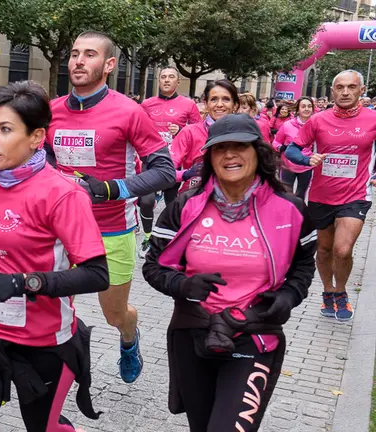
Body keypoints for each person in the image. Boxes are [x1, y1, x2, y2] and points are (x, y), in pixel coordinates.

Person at [0, 80, 106, 432]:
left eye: (5, 130)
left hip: (41, 340)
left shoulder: (63, 195)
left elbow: (96, 274)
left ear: (37, 136)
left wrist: (22, 283)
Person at [142, 113, 316, 432]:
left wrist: (290, 296)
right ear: (209, 157)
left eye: (240, 146)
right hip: (193, 332)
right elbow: (153, 267)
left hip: (254, 333)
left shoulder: (290, 210)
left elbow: (304, 265)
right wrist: (183, 285)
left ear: (258, 153)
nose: (230, 154)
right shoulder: (185, 207)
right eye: (220, 148)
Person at [44, 31, 175, 384]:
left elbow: (164, 171)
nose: (79, 61)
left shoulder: (128, 112)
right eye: (74, 54)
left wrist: (109, 189)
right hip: (60, 227)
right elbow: (47, 158)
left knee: (114, 313)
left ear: (109, 64)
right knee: (50, 303)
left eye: (89, 54)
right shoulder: (51, 112)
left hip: (111, 228)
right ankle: (53, 369)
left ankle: (129, 338)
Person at [284, 70, 376, 321]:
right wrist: (306, 158)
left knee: (342, 250)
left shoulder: (373, 119)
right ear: (332, 90)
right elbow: (291, 150)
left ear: (361, 89)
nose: (345, 92)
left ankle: (341, 291)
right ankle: (327, 291)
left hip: (356, 195)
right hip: (321, 195)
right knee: (324, 251)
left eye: (351, 87)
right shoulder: (318, 120)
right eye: (340, 87)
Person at [139, 66, 201, 256]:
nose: (166, 80)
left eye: (171, 77)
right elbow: (137, 129)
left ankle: (173, 237)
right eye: (163, 77)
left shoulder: (188, 104)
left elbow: (198, 131)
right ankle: (148, 237)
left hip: (176, 161)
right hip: (150, 158)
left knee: (173, 203)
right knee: (146, 201)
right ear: (159, 80)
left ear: (177, 82)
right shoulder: (147, 104)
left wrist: (181, 132)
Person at [172, 79, 239, 196]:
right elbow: (165, 170)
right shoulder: (189, 132)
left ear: (235, 105)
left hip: (235, 201)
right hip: (194, 199)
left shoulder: (246, 134)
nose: (219, 104)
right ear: (206, 104)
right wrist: (186, 174)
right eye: (213, 99)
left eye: (226, 99)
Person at [272, 97, 315, 200]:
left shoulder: (315, 125)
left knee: (300, 197)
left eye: (309, 106)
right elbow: (275, 142)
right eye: (303, 106)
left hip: (306, 166)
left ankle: (299, 215)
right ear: (298, 109)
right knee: (287, 196)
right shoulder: (287, 125)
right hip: (288, 166)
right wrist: (281, 148)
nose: (306, 109)